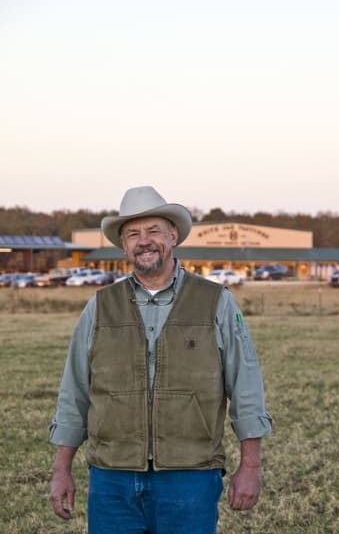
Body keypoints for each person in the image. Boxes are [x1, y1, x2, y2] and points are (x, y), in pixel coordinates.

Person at [49, 185, 272, 534]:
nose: (144, 241)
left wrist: (251, 467)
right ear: (123, 246)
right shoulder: (99, 306)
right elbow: (74, 392)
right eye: (133, 234)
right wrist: (61, 469)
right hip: (111, 480)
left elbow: (246, 388)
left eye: (153, 231)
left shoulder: (216, 301)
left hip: (190, 478)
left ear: (173, 236)